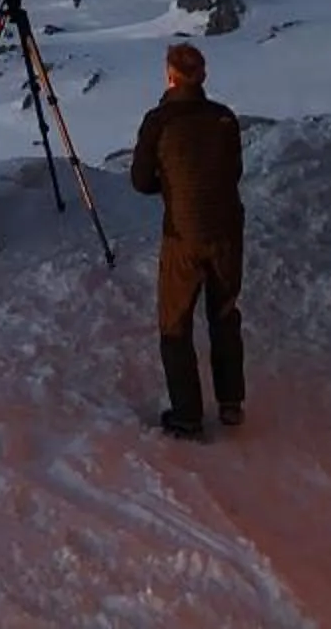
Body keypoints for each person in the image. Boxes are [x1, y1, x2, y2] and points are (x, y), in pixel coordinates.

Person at [130, 40, 245, 435]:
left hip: (183, 234)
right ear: (204, 75)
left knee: (175, 323)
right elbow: (234, 172)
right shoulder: (224, 118)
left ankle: (187, 415)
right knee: (224, 313)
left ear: (169, 75)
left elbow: (141, 180)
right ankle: (230, 402)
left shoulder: (159, 121)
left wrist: (170, 182)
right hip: (227, 229)